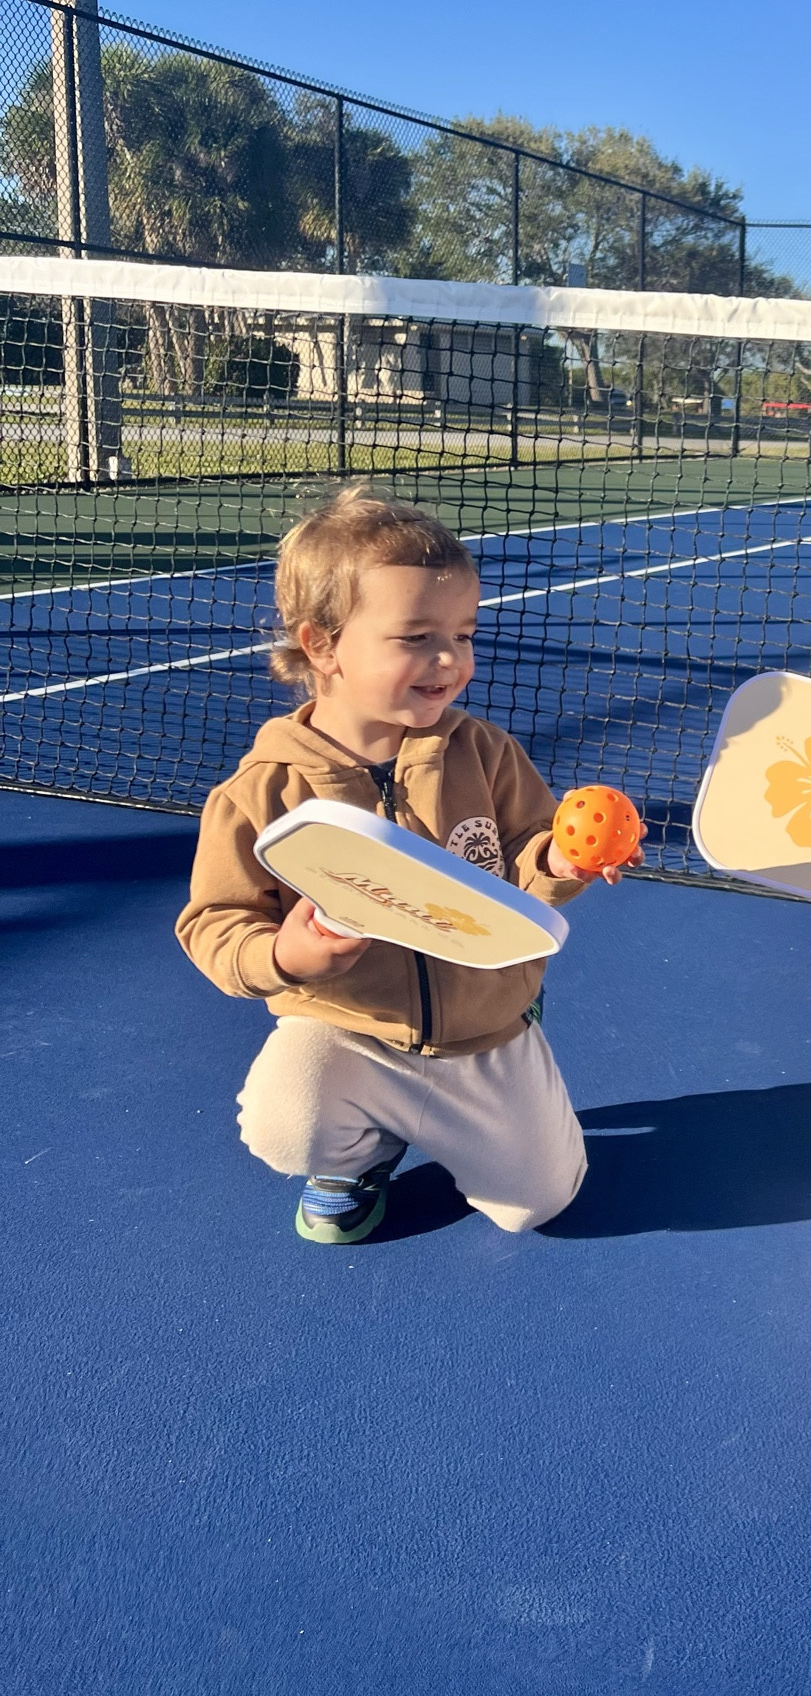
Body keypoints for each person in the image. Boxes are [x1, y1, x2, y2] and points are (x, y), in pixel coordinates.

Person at [177, 487, 639, 1244]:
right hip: (347, 1027)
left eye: (463, 633)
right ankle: (356, 1157)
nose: (450, 660)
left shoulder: (486, 754)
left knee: (539, 1207)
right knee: (281, 1128)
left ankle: (515, 1039)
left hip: (482, 1030)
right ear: (322, 645)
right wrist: (283, 955)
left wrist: (559, 856)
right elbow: (213, 925)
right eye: (416, 637)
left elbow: (525, 856)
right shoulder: (260, 792)